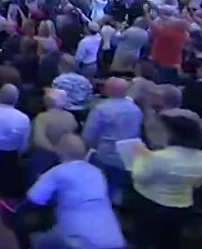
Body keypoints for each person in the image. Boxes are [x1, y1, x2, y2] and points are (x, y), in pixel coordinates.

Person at [24, 134, 125, 249]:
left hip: (79, 242)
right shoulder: (97, 172)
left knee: (38, 240)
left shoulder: (57, 172)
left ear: (59, 151)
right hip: (115, 241)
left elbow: (34, 198)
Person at [132, 115, 202, 249]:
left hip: (153, 205)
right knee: (171, 240)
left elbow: (140, 176)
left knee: (146, 239)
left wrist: (141, 157)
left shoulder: (159, 157)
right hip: (184, 206)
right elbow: (197, 183)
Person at [82, 77, 143, 203]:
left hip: (106, 157)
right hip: (129, 157)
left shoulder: (101, 109)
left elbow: (88, 136)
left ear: (108, 90)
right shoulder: (136, 109)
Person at [28, 89, 78, 184]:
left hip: (44, 159)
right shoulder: (70, 117)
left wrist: (54, 150)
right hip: (65, 159)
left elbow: (39, 140)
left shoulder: (42, 118)